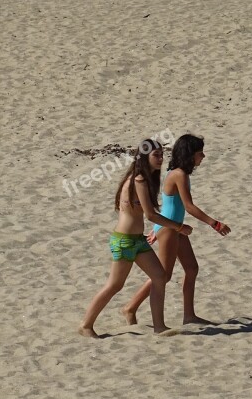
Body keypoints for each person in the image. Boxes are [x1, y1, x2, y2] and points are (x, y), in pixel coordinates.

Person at [79, 138, 193, 338]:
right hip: (124, 241)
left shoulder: (146, 178)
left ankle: (159, 326)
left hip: (138, 240)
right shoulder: (139, 179)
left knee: (159, 277)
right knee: (115, 285)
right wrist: (179, 227)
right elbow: (150, 215)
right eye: (156, 156)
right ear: (144, 157)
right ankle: (86, 325)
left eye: (161, 155)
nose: (160, 159)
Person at [122, 134, 230, 326]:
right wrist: (214, 223)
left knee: (192, 268)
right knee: (163, 275)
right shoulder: (178, 174)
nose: (203, 157)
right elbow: (188, 206)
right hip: (170, 228)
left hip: (174, 227)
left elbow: (170, 206)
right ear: (190, 154)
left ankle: (189, 315)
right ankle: (130, 307)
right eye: (199, 153)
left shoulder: (181, 173)